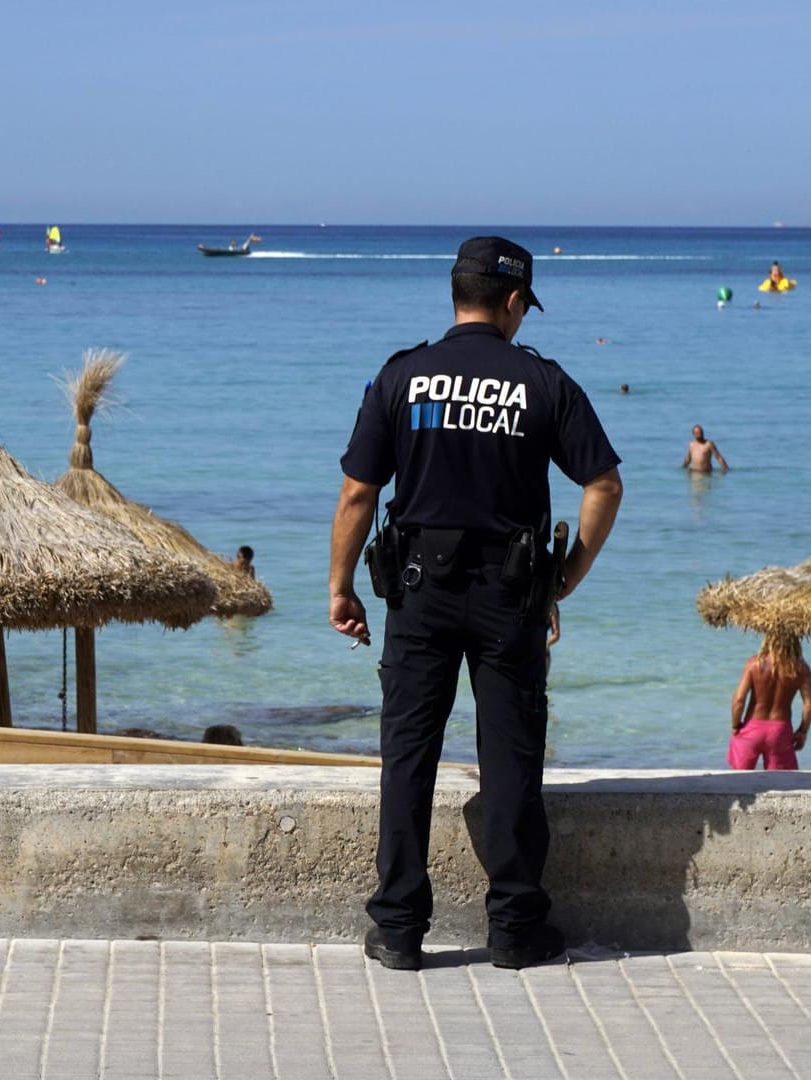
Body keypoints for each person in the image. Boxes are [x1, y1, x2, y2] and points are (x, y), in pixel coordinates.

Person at [329, 236, 623, 973]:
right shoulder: (543, 383)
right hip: (511, 596)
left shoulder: (403, 376)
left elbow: (359, 493)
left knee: (408, 758)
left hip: (419, 593)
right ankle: (516, 930)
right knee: (511, 757)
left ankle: (398, 927)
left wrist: (339, 587)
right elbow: (605, 485)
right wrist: (567, 577)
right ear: (515, 302)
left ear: (456, 293)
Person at [728, 635, 811, 770]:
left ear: (768, 641)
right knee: (781, 783)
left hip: (752, 729)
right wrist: (802, 731)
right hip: (780, 731)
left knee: (739, 778)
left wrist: (735, 725)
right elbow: (809, 705)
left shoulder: (753, 664)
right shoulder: (801, 669)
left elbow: (739, 700)